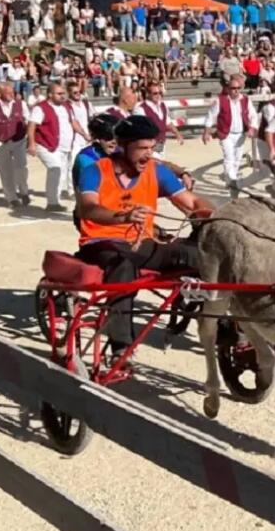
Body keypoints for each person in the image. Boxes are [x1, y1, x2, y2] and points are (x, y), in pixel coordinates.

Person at [74, 115, 211, 360]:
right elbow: (88, 208)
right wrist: (122, 217)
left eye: (152, 148)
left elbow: (190, 203)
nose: (149, 154)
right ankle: (121, 346)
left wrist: (216, 217)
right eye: (142, 148)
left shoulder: (155, 170)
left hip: (144, 243)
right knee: (122, 267)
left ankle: (223, 326)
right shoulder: (95, 171)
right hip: (102, 243)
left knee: (205, 257)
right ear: (122, 146)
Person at [26, 82, 80, 211]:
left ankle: (54, 200)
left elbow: (73, 122)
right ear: (50, 94)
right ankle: (52, 202)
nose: (63, 96)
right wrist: (31, 144)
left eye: (63, 93)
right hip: (46, 145)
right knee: (56, 169)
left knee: (60, 173)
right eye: (59, 94)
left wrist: (84, 133)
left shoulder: (67, 106)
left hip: (64, 146)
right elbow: (32, 125)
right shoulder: (40, 108)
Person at [201, 74, 258, 195]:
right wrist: (206, 132)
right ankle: (232, 181)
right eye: (233, 88)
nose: (235, 90)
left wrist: (252, 128)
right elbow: (210, 116)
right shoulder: (220, 101)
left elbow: (253, 115)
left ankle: (231, 180)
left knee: (237, 159)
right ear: (228, 89)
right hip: (226, 134)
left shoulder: (246, 100)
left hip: (241, 134)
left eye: (238, 88)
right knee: (229, 157)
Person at [0, 82, 31, 207]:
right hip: (0, 141)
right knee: (5, 171)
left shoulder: (21, 104)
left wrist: (29, 137)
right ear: (1, 93)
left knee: (21, 167)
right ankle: (11, 197)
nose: (10, 95)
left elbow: (28, 120)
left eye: (12, 92)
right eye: (7, 93)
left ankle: (24, 191)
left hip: (19, 140)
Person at [135, 82, 183, 159]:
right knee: (158, 166)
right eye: (155, 93)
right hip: (149, 146)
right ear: (148, 94)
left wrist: (177, 133)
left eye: (160, 93)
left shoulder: (163, 105)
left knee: (160, 163)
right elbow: (140, 130)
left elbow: (167, 122)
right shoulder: (141, 108)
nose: (158, 95)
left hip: (161, 144)